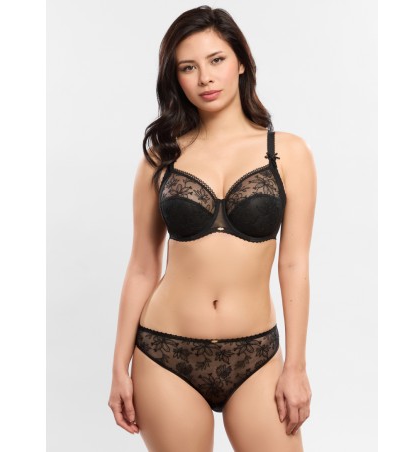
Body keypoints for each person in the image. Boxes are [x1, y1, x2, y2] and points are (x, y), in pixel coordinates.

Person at [108, 5, 316, 451]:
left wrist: (296, 366)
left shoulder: (288, 153)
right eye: (188, 67)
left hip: (256, 355)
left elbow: (294, 264)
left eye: (216, 60)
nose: (205, 78)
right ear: (176, 77)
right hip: (164, 354)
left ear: (241, 62)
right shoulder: (161, 158)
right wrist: (118, 369)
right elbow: (142, 267)